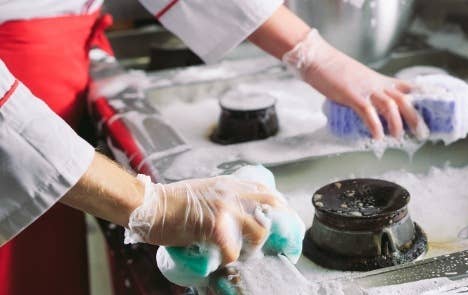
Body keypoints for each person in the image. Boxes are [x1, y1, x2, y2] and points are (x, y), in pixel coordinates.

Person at [0, 1, 422, 294]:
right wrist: (149, 205)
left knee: (41, 268)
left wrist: (314, 55)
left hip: (54, 65)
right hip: (13, 100)